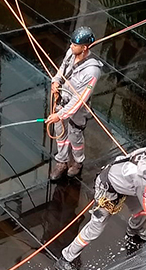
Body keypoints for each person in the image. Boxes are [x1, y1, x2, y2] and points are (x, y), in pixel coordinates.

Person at [54, 144, 146, 270]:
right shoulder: (144, 180)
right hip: (108, 190)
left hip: (125, 182)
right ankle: (65, 257)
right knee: (95, 228)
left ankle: (134, 230)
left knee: (140, 210)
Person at [46, 26, 103, 180]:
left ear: (84, 48)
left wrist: (60, 115)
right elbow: (62, 68)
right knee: (60, 134)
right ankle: (62, 161)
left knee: (74, 136)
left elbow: (80, 100)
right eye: (71, 43)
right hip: (62, 102)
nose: (71, 47)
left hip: (77, 109)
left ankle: (78, 162)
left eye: (75, 45)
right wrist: (56, 81)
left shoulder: (92, 71)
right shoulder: (71, 53)